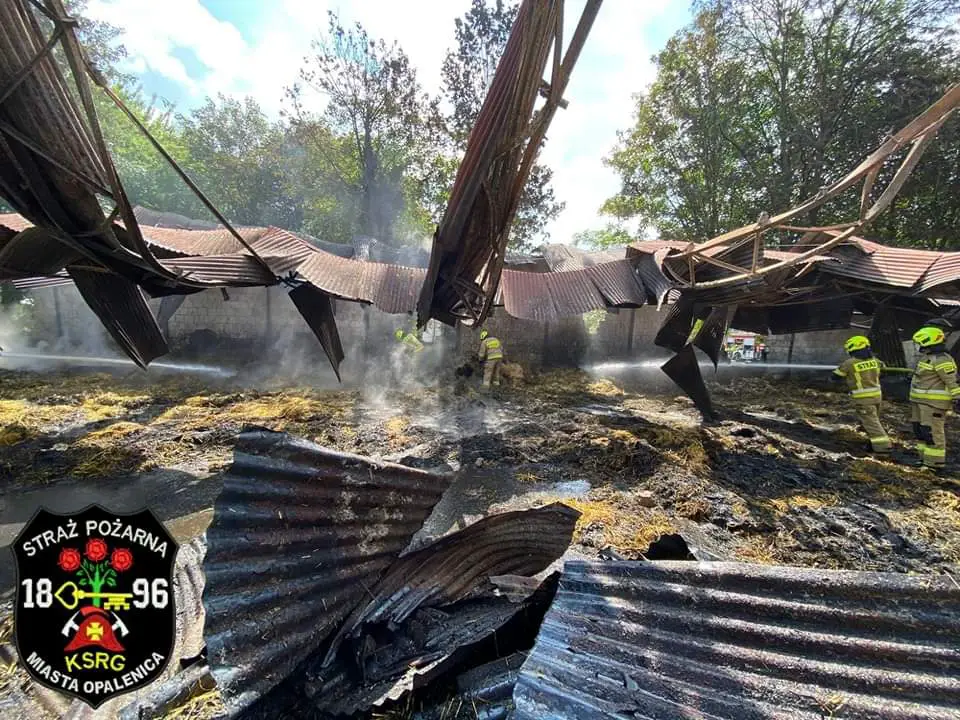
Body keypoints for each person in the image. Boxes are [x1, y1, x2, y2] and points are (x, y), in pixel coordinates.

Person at [909, 326, 960, 470]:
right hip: (919, 402)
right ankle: (924, 459)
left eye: (919, 343)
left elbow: (953, 382)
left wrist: (957, 398)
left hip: (933, 404)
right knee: (920, 431)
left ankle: (934, 464)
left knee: (932, 432)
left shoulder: (942, 360)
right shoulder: (927, 357)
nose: (918, 346)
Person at [832, 336, 891, 454]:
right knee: (873, 421)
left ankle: (883, 448)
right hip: (877, 397)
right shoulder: (875, 361)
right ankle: (872, 444)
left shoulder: (849, 363)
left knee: (872, 424)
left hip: (863, 399)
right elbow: (884, 371)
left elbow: (835, 377)